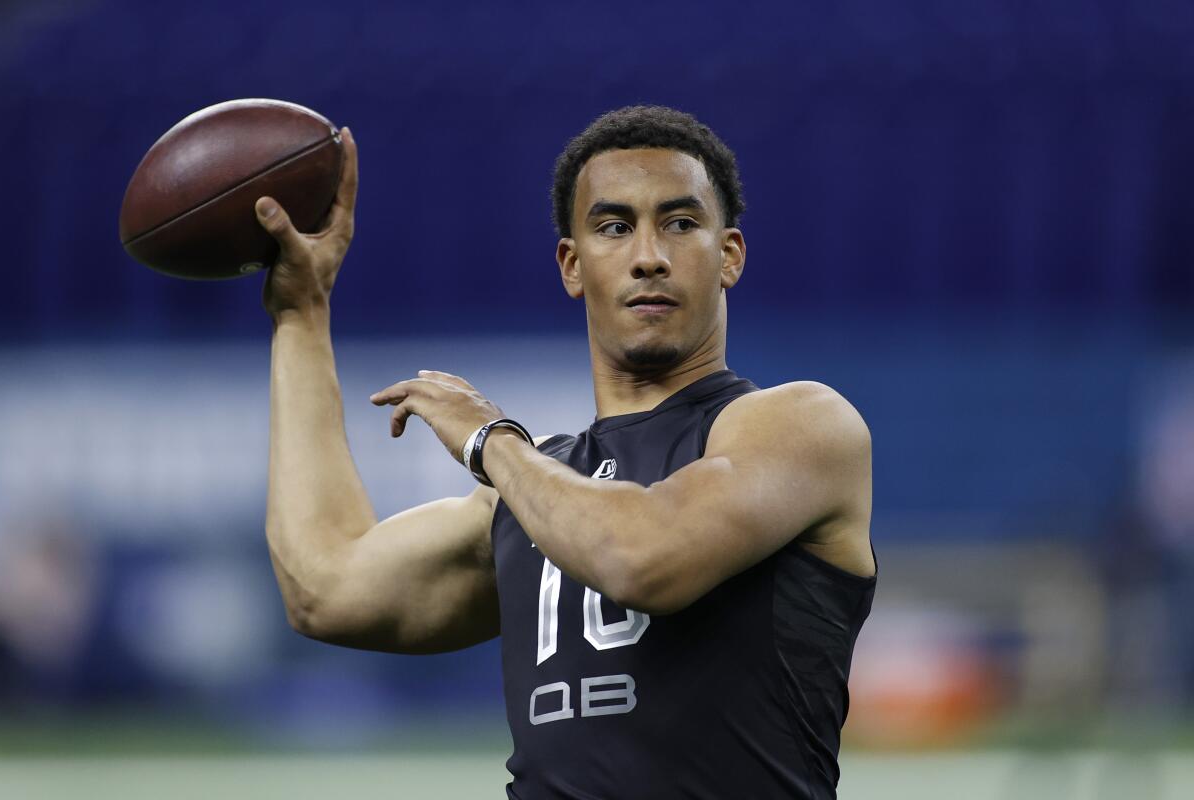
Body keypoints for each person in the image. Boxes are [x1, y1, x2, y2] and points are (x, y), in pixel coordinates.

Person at [256, 105, 876, 800]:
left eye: (680, 223)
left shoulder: (802, 424)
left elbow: (645, 559)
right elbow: (324, 588)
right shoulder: (534, 490)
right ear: (571, 265)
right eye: (615, 227)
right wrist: (301, 315)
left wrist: (492, 442)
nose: (648, 256)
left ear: (728, 254)